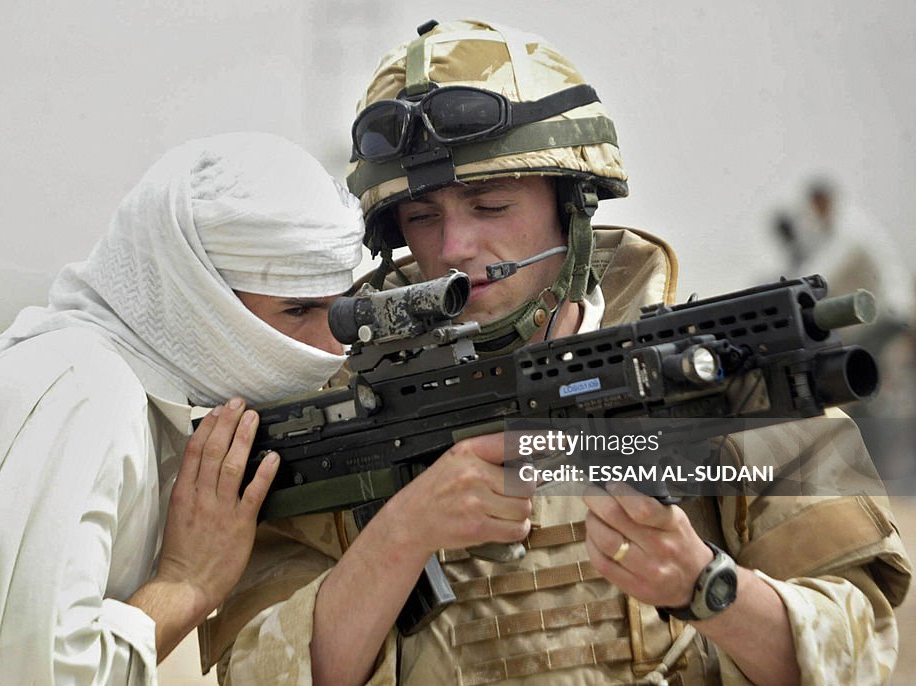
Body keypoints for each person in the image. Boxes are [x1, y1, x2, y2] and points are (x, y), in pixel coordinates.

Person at [204, 20, 912, 685]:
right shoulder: (334, 417)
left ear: (570, 207)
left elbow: (863, 653)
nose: (454, 249)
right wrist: (401, 533)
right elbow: (252, 668)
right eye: (422, 218)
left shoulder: (718, 374)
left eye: (491, 207)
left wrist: (702, 585)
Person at [0, 132, 364, 684]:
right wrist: (186, 584)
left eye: (339, 314)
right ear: (198, 297)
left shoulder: (109, 387)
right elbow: (32, 674)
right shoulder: (87, 391)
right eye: (300, 309)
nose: (331, 350)